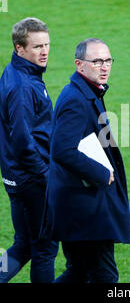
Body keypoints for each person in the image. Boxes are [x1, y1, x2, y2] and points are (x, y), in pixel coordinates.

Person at [46, 38, 130, 283]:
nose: (104, 66)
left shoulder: (86, 91)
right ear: (79, 64)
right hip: (85, 208)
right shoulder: (76, 99)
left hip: (77, 205)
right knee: (104, 277)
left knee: (79, 272)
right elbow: (62, 150)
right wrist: (101, 173)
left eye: (107, 60)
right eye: (96, 61)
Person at [0, 17, 58, 283]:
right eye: (37, 47)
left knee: (24, 245)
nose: (44, 51)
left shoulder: (19, 73)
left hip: (17, 177)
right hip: (32, 180)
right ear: (19, 48)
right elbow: (23, 142)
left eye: (46, 45)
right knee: (44, 249)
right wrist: (46, 176)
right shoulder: (23, 86)